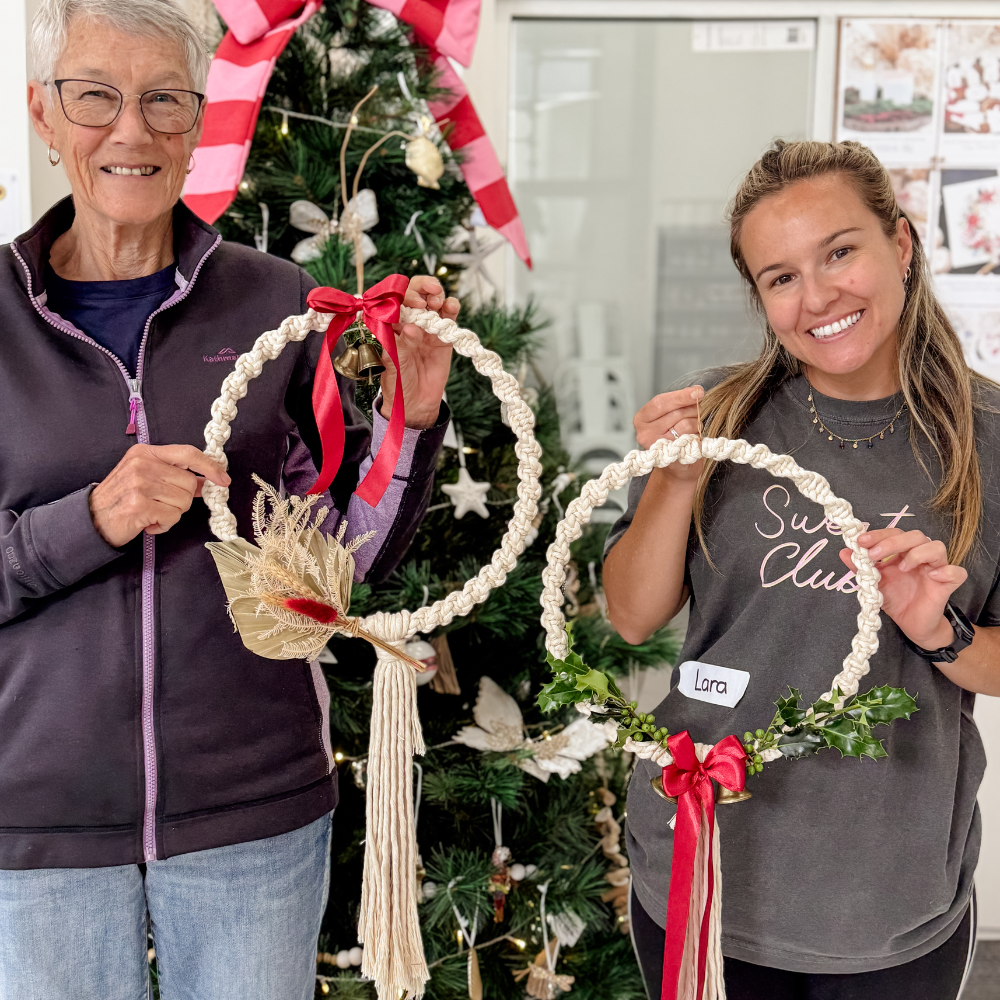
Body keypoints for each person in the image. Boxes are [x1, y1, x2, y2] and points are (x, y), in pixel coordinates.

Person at [0, 1, 459, 997]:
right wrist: (92, 521)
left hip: (254, 813)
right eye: (96, 98)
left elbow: (335, 564)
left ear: (199, 122)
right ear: (43, 114)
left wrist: (409, 424)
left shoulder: (274, 303)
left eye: (166, 100)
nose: (132, 130)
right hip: (35, 825)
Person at [603, 139, 1000, 1000]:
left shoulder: (990, 437)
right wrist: (674, 483)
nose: (817, 297)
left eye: (840, 252)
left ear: (900, 243)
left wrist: (938, 630)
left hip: (885, 907)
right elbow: (631, 616)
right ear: (760, 297)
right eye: (780, 277)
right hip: (701, 872)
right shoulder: (719, 417)